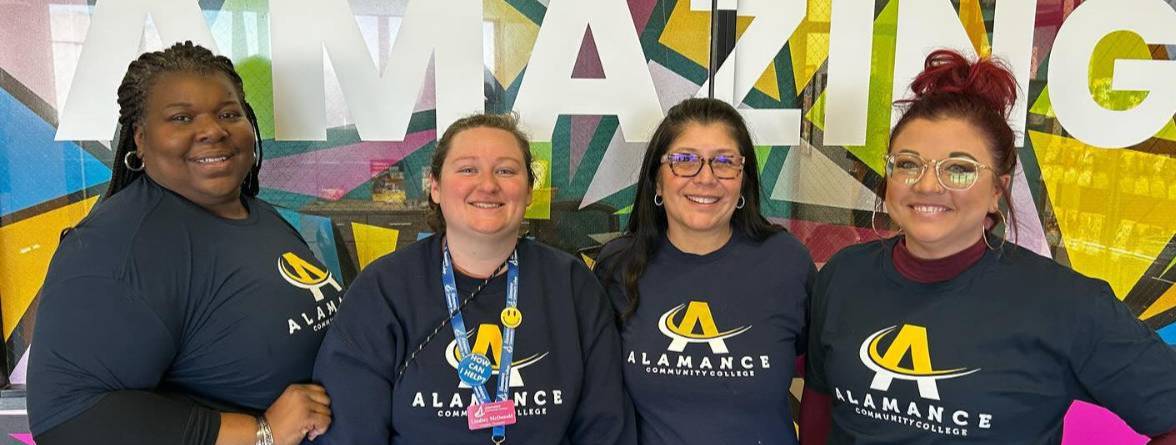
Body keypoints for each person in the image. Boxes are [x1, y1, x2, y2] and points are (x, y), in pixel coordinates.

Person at [800, 49, 1176, 444]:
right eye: (909, 163)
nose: (928, 185)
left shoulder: (1069, 305)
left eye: (959, 169)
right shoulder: (844, 276)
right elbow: (821, 405)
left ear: (999, 187)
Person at [28, 41, 337, 445]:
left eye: (229, 113)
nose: (212, 130)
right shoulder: (117, 248)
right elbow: (69, 418)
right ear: (140, 138)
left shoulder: (258, 214)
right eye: (181, 118)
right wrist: (261, 432)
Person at [311, 113, 635, 444]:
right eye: (468, 169)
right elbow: (349, 433)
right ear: (435, 187)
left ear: (528, 193)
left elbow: (605, 428)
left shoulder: (572, 286)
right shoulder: (383, 291)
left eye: (506, 170)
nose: (488, 185)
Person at [595, 98, 815, 444]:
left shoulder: (787, 262)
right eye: (684, 161)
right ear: (657, 179)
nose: (706, 178)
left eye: (725, 162)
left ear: (743, 180)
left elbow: (819, 379)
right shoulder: (618, 265)